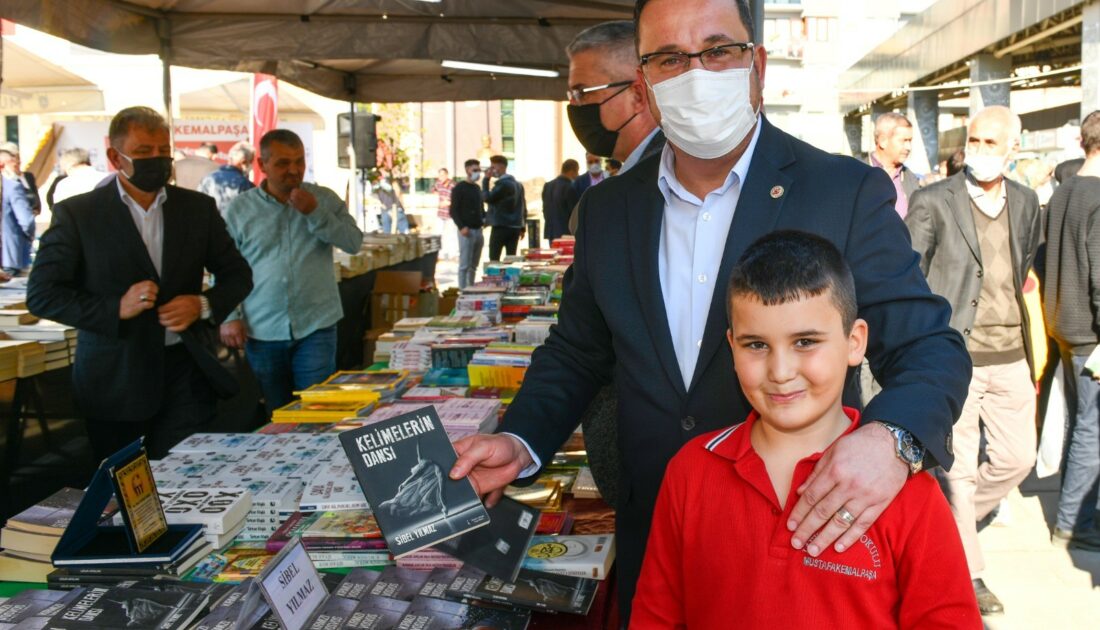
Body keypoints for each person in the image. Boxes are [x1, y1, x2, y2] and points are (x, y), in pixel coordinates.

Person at [449, 0, 970, 619]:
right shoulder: (610, 210)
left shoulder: (843, 192)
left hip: (813, 546)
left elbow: (927, 346)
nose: (696, 72)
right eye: (669, 57)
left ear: (759, 65)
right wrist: (521, 437)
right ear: (643, 84)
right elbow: (579, 350)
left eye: (719, 49)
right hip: (660, 540)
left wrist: (892, 441)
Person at [632, 230, 980, 629]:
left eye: (805, 342)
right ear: (731, 347)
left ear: (854, 342)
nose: (780, 372)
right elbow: (655, 616)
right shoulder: (690, 471)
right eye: (756, 345)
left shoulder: (904, 488)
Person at [26, 106, 252, 460]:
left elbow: (237, 274)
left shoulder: (196, 209)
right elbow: (42, 295)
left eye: (164, 151)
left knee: (188, 479)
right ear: (116, 156)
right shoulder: (79, 215)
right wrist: (116, 307)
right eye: (144, 152)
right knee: (128, 494)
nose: (157, 160)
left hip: (185, 372)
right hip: (115, 378)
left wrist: (203, 304)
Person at [905, 105, 1040, 615]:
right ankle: (970, 568)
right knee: (955, 468)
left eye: (991, 144)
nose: (978, 152)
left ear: (1014, 150)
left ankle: (949, 523)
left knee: (1016, 457)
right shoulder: (933, 201)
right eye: (975, 141)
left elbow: (1021, 262)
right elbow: (910, 277)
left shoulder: (1027, 203)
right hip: (954, 354)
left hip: (1010, 355)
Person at [564, 18, 668, 504]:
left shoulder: (663, 183)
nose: (574, 109)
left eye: (583, 92)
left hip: (650, 455)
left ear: (637, 93)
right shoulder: (621, 188)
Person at [220, 129, 364, 414]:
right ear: (262, 165)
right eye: (283, 163)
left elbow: (353, 242)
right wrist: (229, 316)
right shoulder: (239, 210)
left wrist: (315, 213)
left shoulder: (323, 199)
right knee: (279, 412)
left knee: (318, 410)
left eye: (299, 161)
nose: (294, 170)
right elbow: (223, 266)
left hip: (316, 324)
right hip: (262, 328)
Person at [1043, 109, 1100, 553]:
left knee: (1078, 422)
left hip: (1063, 321)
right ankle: (1075, 523)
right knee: (1091, 428)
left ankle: (1072, 513)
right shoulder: (1098, 196)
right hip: (1091, 331)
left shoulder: (1064, 190)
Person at [868, 113, 919, 218]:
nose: (908, 147)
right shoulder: (856, 174)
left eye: (910, 141)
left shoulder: (912, 179)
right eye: (904, 140)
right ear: (883, 141)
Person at [0, 143, 38, 275]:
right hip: (10, 257)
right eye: (14, 163)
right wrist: (30, 235)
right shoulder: (12, 187)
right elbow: (26, 221)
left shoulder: (17, 183)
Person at [482, 155, 526, 261]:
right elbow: (523, 207)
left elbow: (487, 198)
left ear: (502, 167)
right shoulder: (518, 185)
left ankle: (495, 278)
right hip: (515, 227)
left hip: (501, 226)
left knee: (494, 258)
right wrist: (522, 227)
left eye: (493, 167)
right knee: (511, 258)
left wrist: (486, 180)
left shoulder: (503, 184)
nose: (491, 170)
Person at [450, 159, 485, 289]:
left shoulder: (476, 188)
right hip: (466, 230)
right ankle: (463, 290)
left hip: (478, 229)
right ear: (467, 170)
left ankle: (471, 287)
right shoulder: (459, 188)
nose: (477, 173)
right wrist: (461, 226)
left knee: (474, 265)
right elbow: (453, 210)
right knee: (464, 264)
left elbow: (481, 208)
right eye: (474, 170)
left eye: (478, 170)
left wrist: (484, 218)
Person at [198, 141, 255, 216]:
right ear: (243, 161)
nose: (251, 165)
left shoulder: (208, 178)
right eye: (251, 161)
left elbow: (199, 207)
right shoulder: (245, 184)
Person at [542, 159, 579, 242]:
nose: (577, 175)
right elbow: (574, 213)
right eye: (577, 171)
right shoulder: (569, 188)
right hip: (566, 234)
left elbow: (545, 209)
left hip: (551, 231)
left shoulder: (548, 185)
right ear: (572, 171)